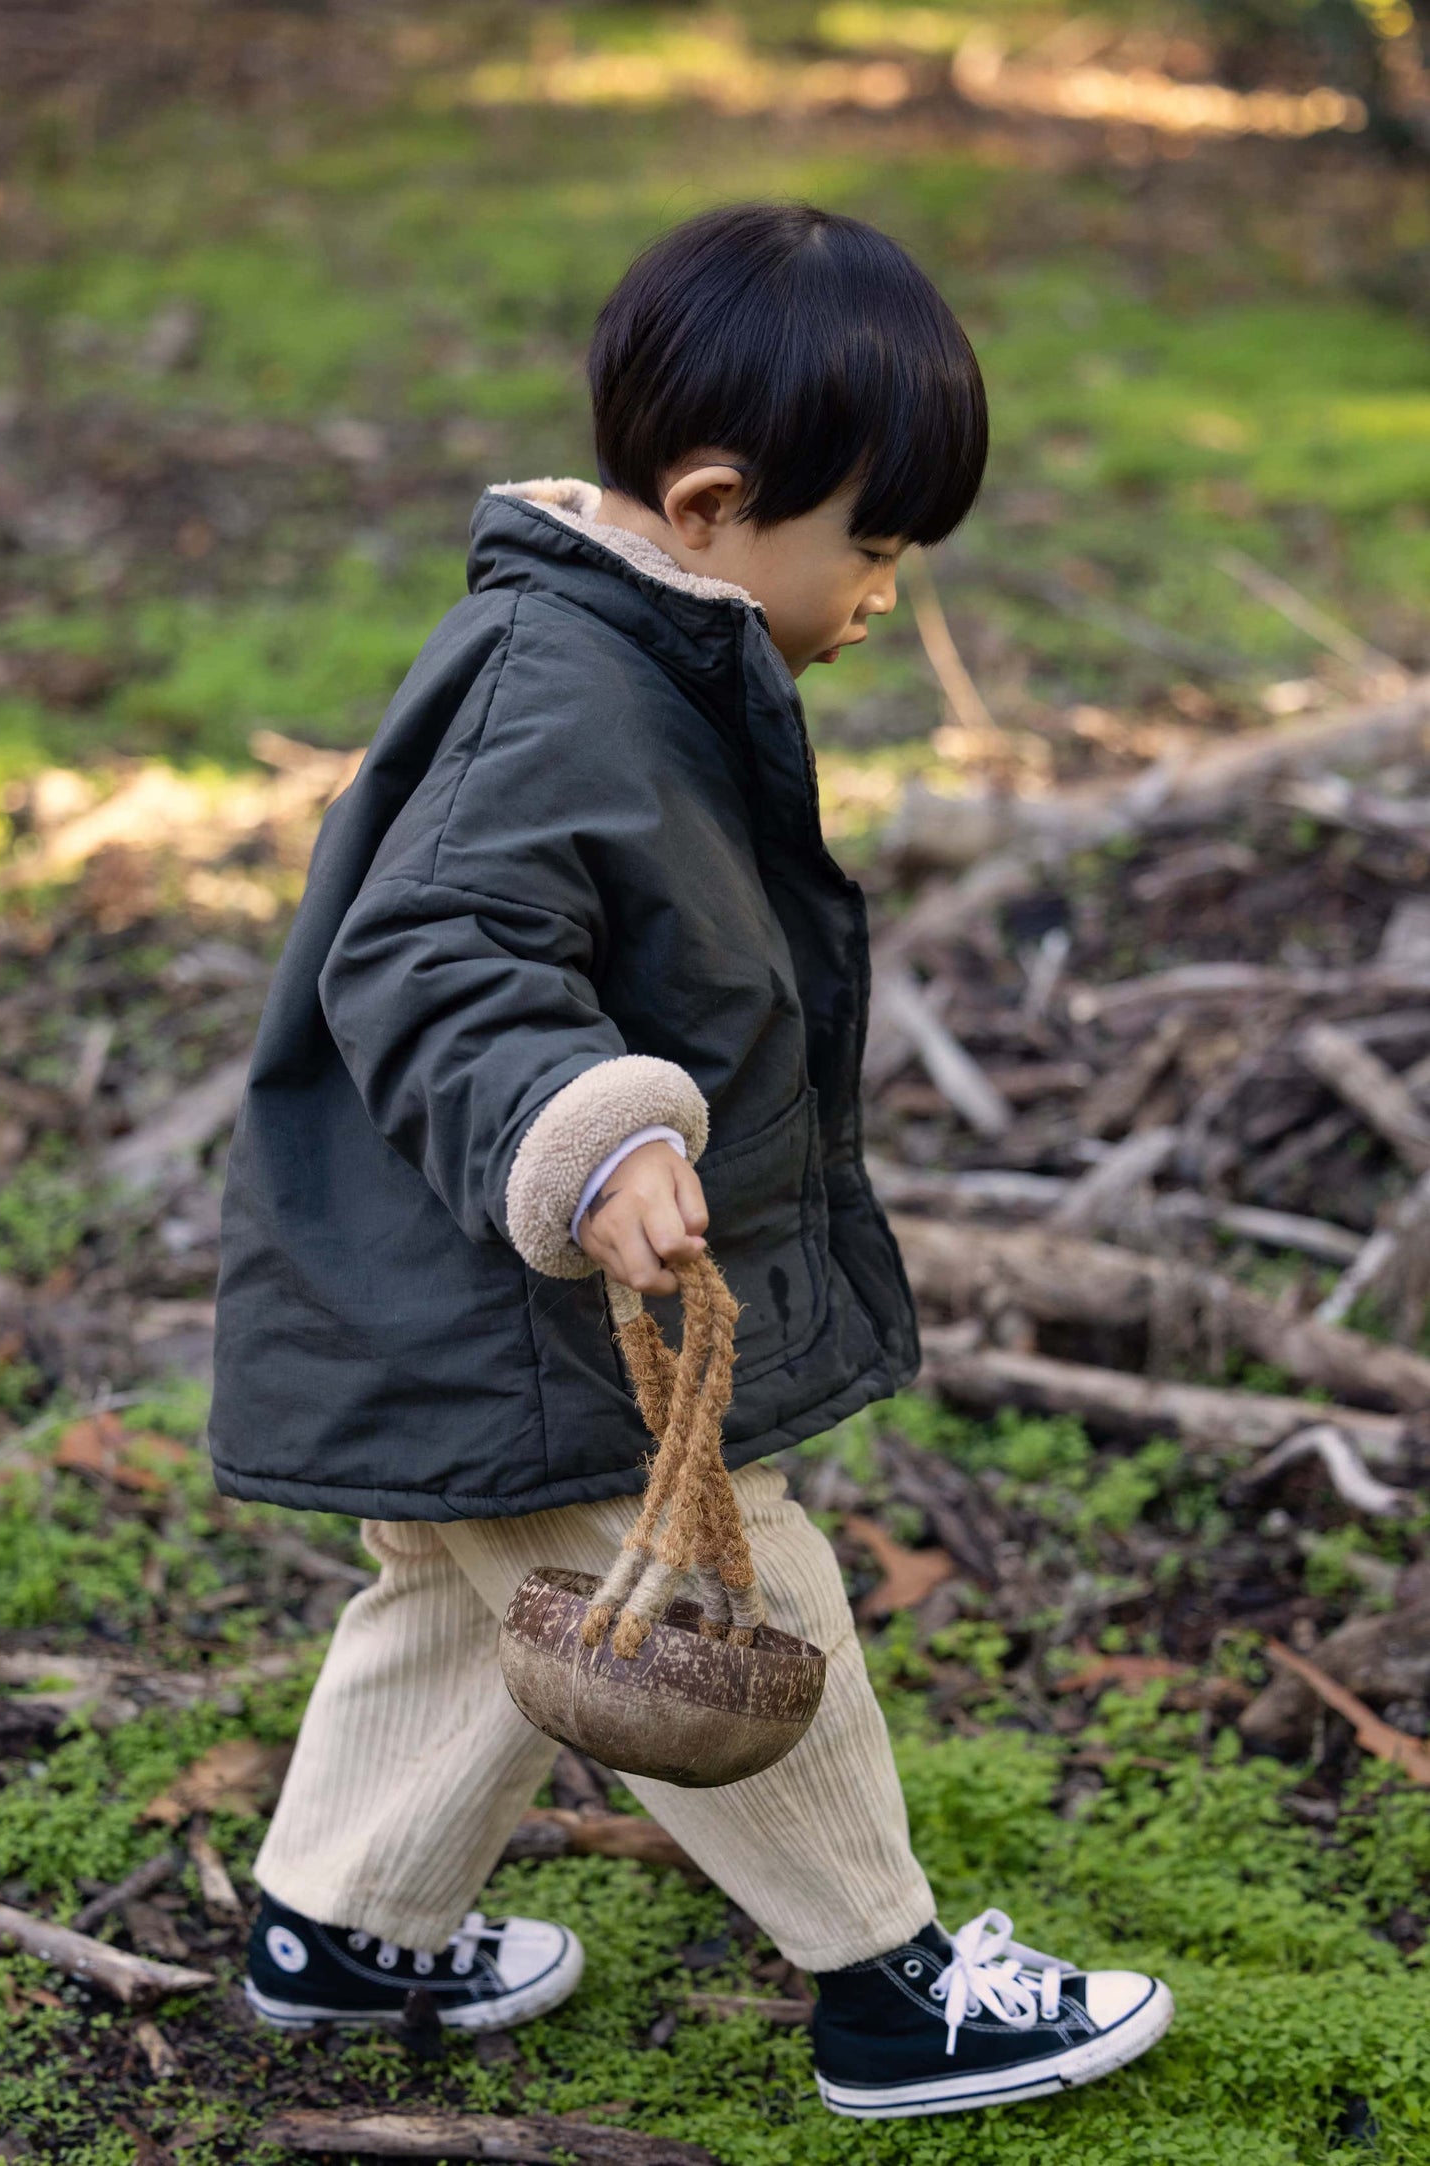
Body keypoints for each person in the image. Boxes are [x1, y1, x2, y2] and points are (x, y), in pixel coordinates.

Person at [209, 200, 1173, 2120]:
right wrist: (584, 1134)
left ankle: (340, 1924)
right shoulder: (558, 686)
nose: (887, 592)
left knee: (469, 1590)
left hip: (483, 1301)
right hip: (515, 1294)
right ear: (718, 500)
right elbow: (435, 948)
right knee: (721, 1583)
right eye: (873, 546)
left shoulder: (649, 661)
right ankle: (889, 1982)